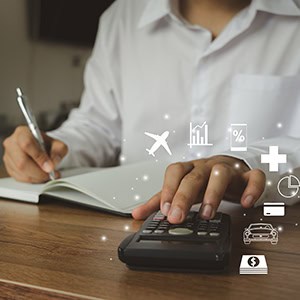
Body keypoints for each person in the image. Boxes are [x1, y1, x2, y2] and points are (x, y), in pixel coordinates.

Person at [3, 0, 300, 224]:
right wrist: (50, 149)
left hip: (261, 233)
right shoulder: (123, 16)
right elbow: (97, 124)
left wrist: (245, 163)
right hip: (129, 224)